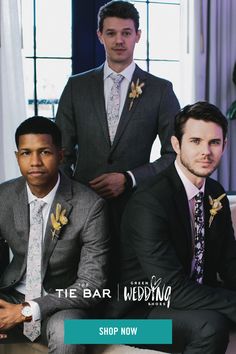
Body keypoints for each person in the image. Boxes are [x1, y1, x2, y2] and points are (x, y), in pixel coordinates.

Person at [56, 0, 180, 282]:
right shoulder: (76, 86)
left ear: (138, 35)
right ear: (100, 36)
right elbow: (60, 152)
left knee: (131, 289)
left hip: (137, 206)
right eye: (111, 33)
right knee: (85, 286)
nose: (119, 40)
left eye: (126, 32)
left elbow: (175, 155)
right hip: (82, 207)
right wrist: (73, 197)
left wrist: (129, 178)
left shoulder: (161, 90)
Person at [118, 101, 236, 354]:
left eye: (214, 143)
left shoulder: (215, 193)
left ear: (224, 146)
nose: (206, 151)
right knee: (210, 326)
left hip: (191, 297)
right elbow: (169, 289)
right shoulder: (149, 201)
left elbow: (230, 262)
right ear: (176, 144)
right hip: (136, 315)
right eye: (195, 141)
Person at [0, 117, 109, 353]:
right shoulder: (3, 196)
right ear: (17, 156)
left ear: (61, 155)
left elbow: (92, 284)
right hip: (11, 296)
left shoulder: (90, 206)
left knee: (67, 334)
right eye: (26, 153)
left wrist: (28, 310)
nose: (35, 162)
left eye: (45, 152)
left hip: (60, 304)